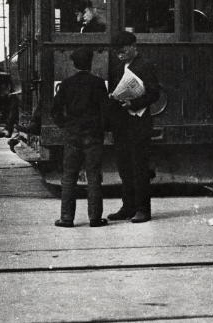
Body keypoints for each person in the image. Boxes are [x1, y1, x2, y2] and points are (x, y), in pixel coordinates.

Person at [106, 31, 161, 223]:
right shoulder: (118, 65)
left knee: (139, 167)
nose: (120, 55)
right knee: (124, 167)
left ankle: (143, 209)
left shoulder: (144, 65)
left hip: (139, 122)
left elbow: (154, 93)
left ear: (133, 46)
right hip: (121, 123)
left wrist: (135, 104)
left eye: (123, 51)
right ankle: (127, 207)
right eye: (117, 52)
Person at [52, 47, 110, 228]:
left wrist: (65, 126)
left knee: (69, 176)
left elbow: (55, 110)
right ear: (90, 64)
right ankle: (95, 218)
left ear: (74, 64)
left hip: (73, 135)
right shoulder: (98, 83)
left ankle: (67, 218)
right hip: (93, 135)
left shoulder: (67, 83)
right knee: (93, 176)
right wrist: (102, 128)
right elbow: (105, 110)